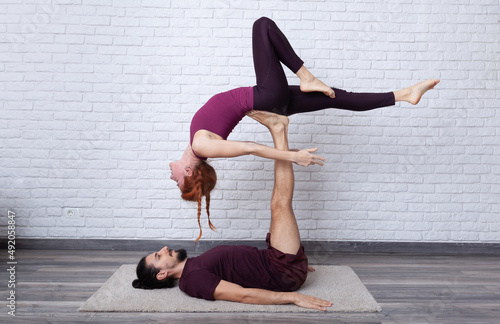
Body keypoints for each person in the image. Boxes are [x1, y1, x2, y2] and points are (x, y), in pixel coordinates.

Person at [170, 17, 440, 240]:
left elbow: (213, 158)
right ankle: (306, 76)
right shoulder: (200, 146)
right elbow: (250, 148)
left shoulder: (197, 150)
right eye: (179, 181)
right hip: (266, 96)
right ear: (189, 171)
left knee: (337, 96)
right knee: (262, 26)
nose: (172, 178)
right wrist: (293, 156)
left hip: (270, 101)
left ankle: (404, 94)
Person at [133, 111, 334, 311]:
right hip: (280, 271)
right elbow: (243, 295)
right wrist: (294, 297)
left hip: (274, 260)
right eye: (159, 257)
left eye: (158, 252)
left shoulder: (193, 266)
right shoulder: (192, 281)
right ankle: (278, 130)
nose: (163, 249)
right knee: (279, 203)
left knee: (277, 204)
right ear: (161, 275)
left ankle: (279, 132)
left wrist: (293, 260)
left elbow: (239, 268)